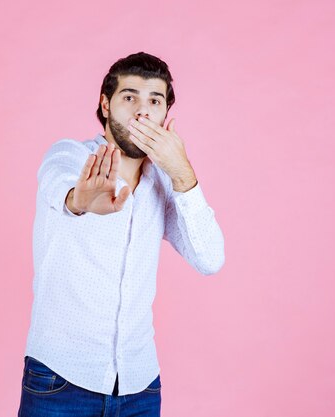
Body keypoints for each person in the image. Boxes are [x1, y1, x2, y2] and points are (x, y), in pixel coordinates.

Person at [17, 51, 225, 416]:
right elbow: (60, 190)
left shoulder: (164, 183)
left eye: (154, 101)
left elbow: (210, 259)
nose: (142, 112)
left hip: (138, 385)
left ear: (165, 114)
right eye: (129, 97)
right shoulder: (70, 156)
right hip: (60, 381)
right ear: (105, 104)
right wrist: (80, 200)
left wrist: (182, 172)